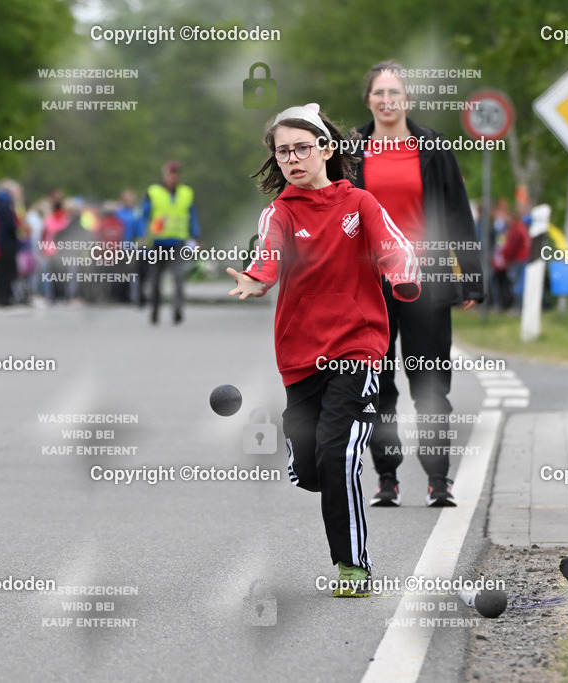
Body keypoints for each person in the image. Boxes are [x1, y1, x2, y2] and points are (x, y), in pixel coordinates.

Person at [227, 103, 420, 597]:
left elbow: (394, 246)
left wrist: (401, 275)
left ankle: (352, 566)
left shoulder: (361, 205)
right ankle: (311, 466)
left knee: (339, 455)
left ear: (327, 149)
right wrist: (255, 278)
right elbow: (267, 256)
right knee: (312, 469)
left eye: (301, 148)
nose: (292, 158)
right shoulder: (281, 213)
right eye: (282, 150)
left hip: (357, 350)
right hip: (300, 358)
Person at [352, 61, 484, 508]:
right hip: (370, 283)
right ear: (368, 100)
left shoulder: (432, 147)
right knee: (376, 384)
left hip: (426, 280)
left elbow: (457, 212)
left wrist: (471, 275)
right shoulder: (351, 149)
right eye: (378, 94)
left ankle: (437, 479)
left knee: (430, 384)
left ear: (407, 99)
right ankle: (386, 477)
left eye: (395, 93)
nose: (387, 101)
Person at [143, 160, 200, 324]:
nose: (173, 177)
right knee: (155, 280)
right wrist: (142, 234)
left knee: (178, 277)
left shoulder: (186, 193)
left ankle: (177, 308)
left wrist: (197, 236)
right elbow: (144, 215)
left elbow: (192, 216)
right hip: (157, 242)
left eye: (176, 174)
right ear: (164, 175)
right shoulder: (153, 192)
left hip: (178, 242)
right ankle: (154, 309)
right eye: (170, 174)